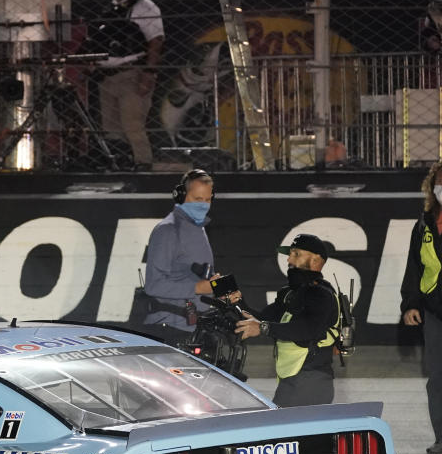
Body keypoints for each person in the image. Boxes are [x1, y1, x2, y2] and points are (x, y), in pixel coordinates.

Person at [234, 234, 341, 408]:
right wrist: (237, 302)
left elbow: (307, 330)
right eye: (290, 254)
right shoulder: (290, 293)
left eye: (296, 254)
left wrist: (263, 328)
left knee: (277, 429)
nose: (289, 259)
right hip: (294, 380)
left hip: (312, 382)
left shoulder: (321, 294)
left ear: (316, 261)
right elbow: (261, 319)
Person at [87, 0, 163, 171]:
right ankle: (120, 164)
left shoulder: (144, 6)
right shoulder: (108, 7)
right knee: (110, 128)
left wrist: (149, 73)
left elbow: (156, 41)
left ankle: (144, 166)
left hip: (132, 73)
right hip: (107, 76)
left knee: (133, 125)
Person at [142, 168, 220, 342]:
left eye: (208, 199)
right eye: (198, 199)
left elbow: (193, 275)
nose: (203, 205)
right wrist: (198, 288)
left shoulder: (198, 227)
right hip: (170, 328)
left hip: (194, 327)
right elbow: (153, 285)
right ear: (181, 196)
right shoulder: (168, 230)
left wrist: (218, 289)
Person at [400, 162, 442, 454]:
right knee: (437, 379)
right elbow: (414, 268)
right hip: (435, 310)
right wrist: (410, 304)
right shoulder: (425, 223)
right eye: (440, 181)